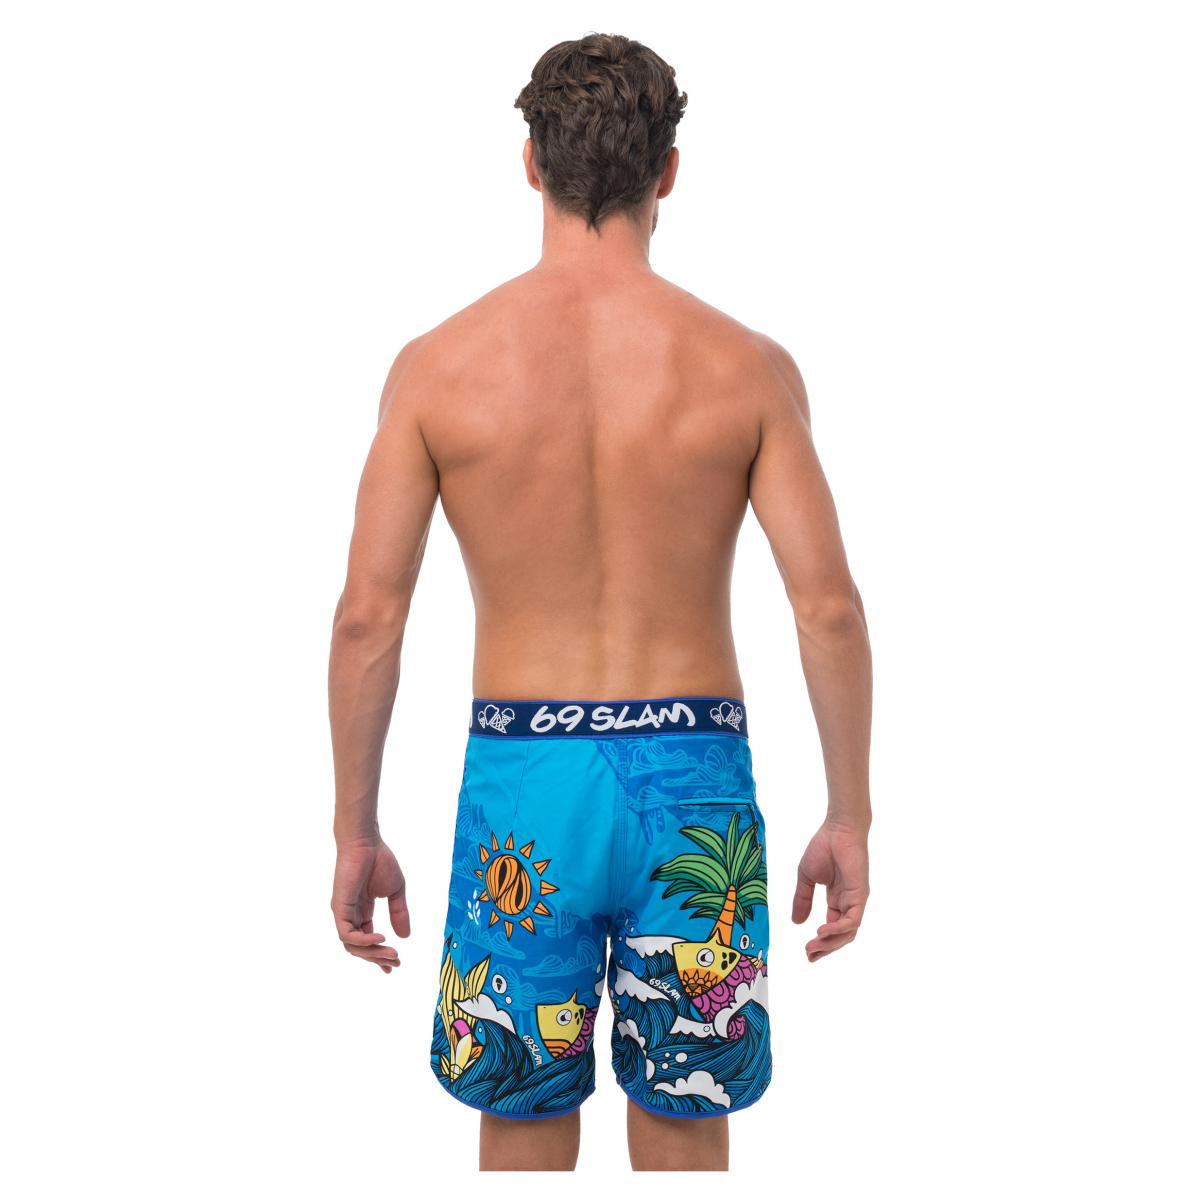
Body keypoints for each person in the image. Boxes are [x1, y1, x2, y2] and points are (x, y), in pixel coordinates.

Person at [328, 34, 872, 1173]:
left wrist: (356, 831)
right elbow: (826, 607)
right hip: (694, 786)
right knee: (688, 1106)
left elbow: (369, 618)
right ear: (668, 171)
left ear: (531, 163)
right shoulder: (746, 368)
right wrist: (849, 815)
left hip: (527, 787)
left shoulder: (437, 369)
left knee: (522, 1110)